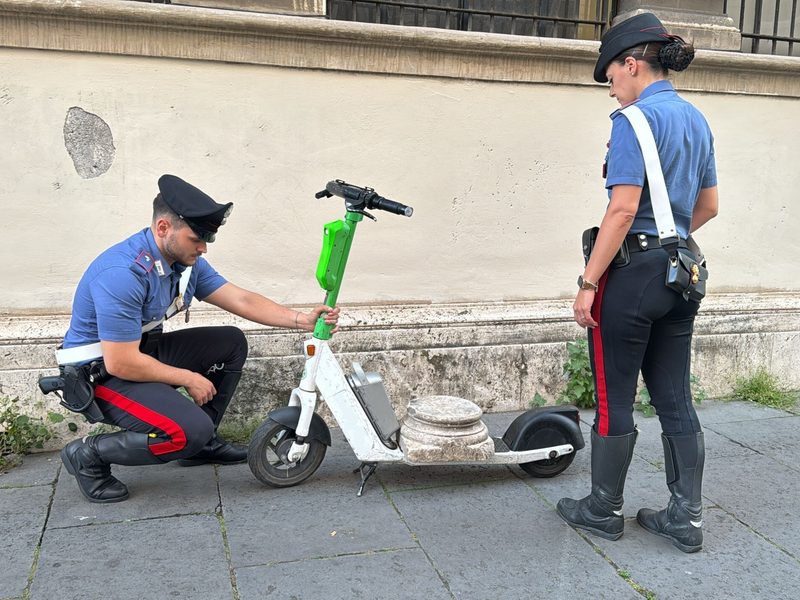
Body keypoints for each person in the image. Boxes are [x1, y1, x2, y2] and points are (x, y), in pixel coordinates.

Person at [57, 174, 340, 503]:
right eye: (196, 238)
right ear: (163, 228)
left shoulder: (184, 263)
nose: (203, 248)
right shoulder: (122, 274)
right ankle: (88, 455)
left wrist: (301, 319)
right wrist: (187, 378)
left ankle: (201, 446)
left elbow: (241, 299)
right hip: (101, 374)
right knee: (189, 431)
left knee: (230, 342)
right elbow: (121, 362)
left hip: (140, 354)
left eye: (208, 238)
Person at [556, 13, 719, 553]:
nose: (611, 88)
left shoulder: (633, 121)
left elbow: (622, 210)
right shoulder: (696, 119)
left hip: (632, 276)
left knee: (614, 394)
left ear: (631, 64)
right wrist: (669, 238)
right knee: (674, 395)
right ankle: (686, 517)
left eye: (611, 76)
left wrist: (588, 281)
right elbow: (709, 207)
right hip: (681, 272)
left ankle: (603, 509)